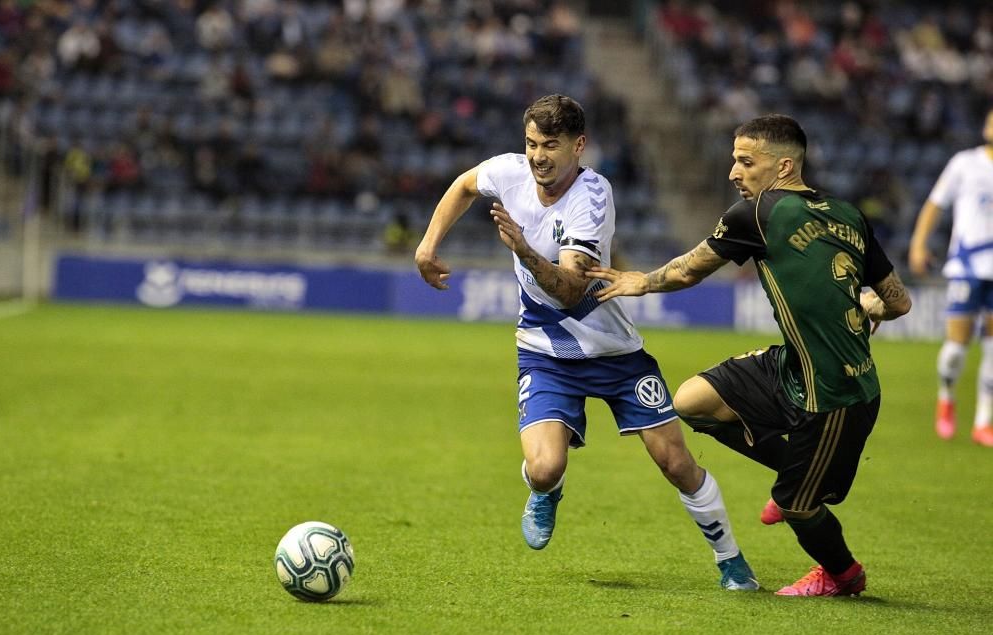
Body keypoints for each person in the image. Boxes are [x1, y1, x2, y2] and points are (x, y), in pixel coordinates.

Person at [414, 94, 759, 591]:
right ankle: (546, 490)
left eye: (550, 145)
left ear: (579, 146)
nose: (537, 156)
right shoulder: (509, 172)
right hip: (543, 349)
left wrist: (526, 251)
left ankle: (730, 561)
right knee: (544, 466)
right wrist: (428, 245)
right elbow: (464, 185)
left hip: (614, 351)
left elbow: (570, 288)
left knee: (676, 462)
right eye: (531, 143)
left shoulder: (593, 197)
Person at [587, 114, 911, 596]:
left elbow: (687, 271)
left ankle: (843, 576)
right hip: (792, 367)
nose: (734, 172)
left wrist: (642, 281)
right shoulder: (848, 214)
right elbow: (899, 301)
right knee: (692, 401)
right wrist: (868, 303)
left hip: (838, 393)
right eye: (733, 160)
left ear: (782, 167)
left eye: (745, 161)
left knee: (799, 507)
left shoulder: (759, 213)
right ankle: (795, 471)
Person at [908, 108, 993, 447]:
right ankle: (947, 397)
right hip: (968, 266)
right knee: (957, 348)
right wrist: (918, 245)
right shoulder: (965, 163)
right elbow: (934, 205)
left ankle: (983, 421)